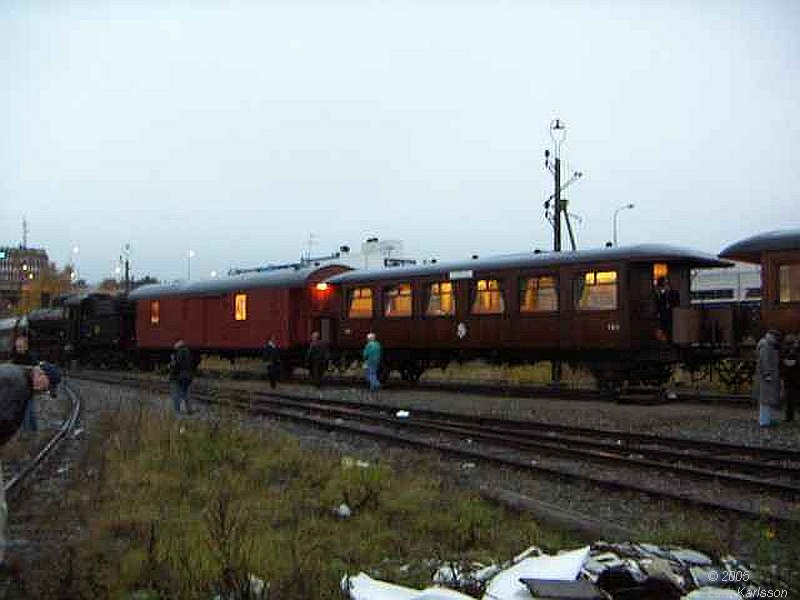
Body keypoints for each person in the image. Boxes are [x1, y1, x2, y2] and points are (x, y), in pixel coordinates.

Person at [0, 363, 53, 564]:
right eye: (47, 385)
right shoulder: (20, 386)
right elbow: (5, 419)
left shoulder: (15, 375)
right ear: (41, 374)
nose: (45, 390)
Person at [755, 330, 782, 427]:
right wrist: (767, 374)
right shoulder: (766, 345)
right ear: (772, 336)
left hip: (769, 376)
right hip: (767, 377)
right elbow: (764, 361)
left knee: (768, 400)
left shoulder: (767, 344)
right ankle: (764, 421)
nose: (776, 340)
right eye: (776, 338)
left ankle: (768, 420)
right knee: (765, 400)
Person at [168, 340, 194, 414]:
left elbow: (176, 366)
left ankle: (177, 411)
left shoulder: (178, 353)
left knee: (176, 395)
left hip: (178, 377)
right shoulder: (188, 352)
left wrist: (172, 365)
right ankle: (189, 410)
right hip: (188, 377)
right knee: (187, 394)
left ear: (177, 345)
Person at [781, 334, 799, 423]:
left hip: (794, 377)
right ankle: (789, 416)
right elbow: (783, 361)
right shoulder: (786, 350)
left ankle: (789, 417)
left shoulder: (795, 351)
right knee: (789, 398)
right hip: (790, 377)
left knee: (791, 398)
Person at [653, 277, 674, 342]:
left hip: (668, 315)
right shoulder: (659, 292)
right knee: (661, 328)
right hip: (661, 314)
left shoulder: (668, 293)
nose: (666, 284)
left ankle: (667, 340)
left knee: (667, 329)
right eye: (665, 282)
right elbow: (659, 303)